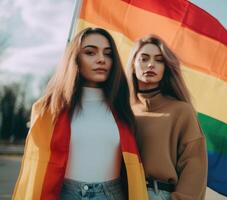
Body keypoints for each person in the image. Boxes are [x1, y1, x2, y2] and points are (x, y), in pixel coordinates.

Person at [13, 27, 148, 200]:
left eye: (108, 54)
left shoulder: (123, 109)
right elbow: (35, 169)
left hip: (111, 195)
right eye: (90, 52)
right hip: (63, 193)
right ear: (75, 58)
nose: (101, 59)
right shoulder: (48, 109)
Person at [127, 35, 208, 200]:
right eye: (144, 58)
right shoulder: (122, 111)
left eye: (159, 60)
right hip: (122, 193)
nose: (150, 64)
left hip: (160, 194)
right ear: (133, 65)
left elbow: (194, 165)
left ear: (166, 68)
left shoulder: (181, 111)